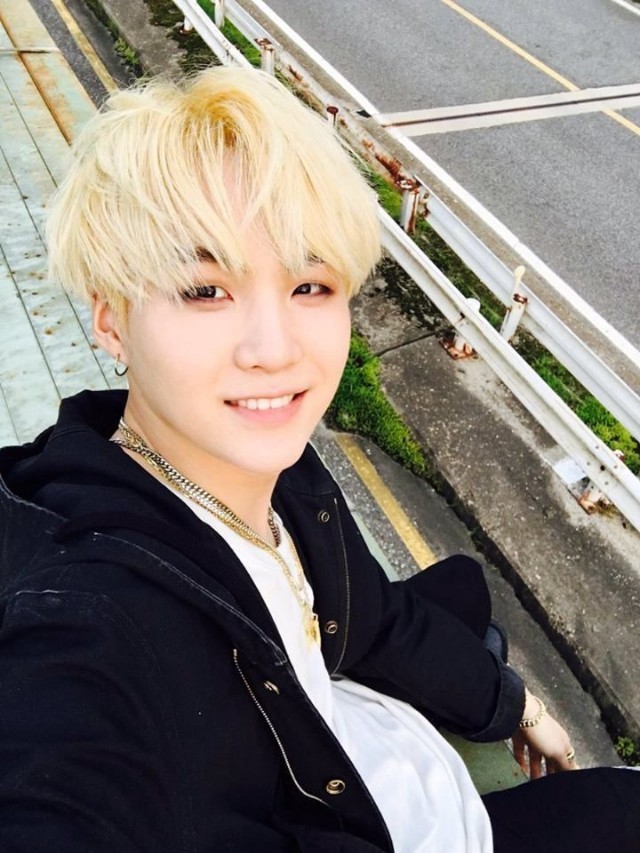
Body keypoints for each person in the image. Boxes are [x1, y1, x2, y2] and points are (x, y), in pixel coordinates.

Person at [0, 67, 637, 853]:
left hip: (368, 736)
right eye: (205, 290)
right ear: (110, 318)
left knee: (463, 586)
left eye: (309, 285)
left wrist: (515, 706)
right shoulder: (89, 621)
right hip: (400, 824)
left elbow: (372, 613)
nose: (275, 351)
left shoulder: (279, 475)